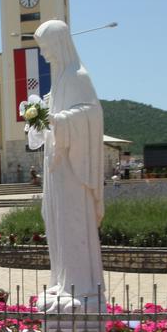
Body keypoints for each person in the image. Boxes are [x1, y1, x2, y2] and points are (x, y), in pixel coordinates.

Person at [32, 20, 105, 309]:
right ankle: (62, 281)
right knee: (57, 224)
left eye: (47, 48)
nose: (45, 54)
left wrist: (59, 120)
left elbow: (91, 114)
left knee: (73, 223)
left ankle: (81, 286)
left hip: (74, 172)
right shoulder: (61, 78)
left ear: (59, 43)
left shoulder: (78, 76)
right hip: (57, 169)